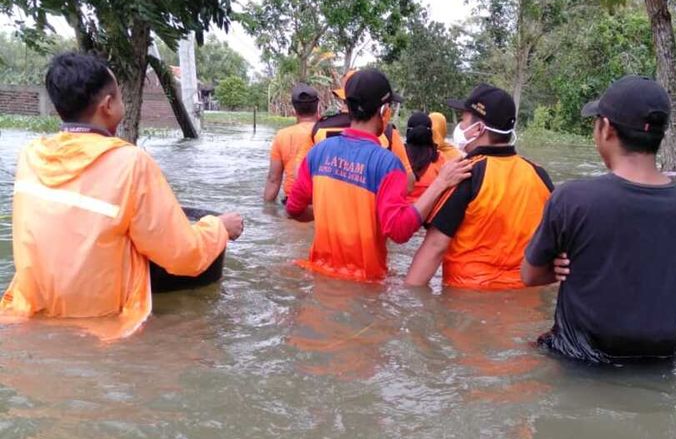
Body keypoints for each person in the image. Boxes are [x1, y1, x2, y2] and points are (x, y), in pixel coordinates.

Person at [0, 52, 244, 340]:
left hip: (25, 316)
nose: (123, 105)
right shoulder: (131, 163)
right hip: (103, 327)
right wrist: (219, 228)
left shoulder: (30, 155)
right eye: (120, 97)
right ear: (107, 105)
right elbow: (182, 255)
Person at [521, 75, 676, 364]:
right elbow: (674, 281)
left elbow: (529, 275)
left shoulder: (572, 198)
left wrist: (556, 271)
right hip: (659, 362)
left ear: (605, 129)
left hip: (580, 361)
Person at [286, 69, 472, 282]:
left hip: (319, 278)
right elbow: (399, 231)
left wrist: (332, 211)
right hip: (364, 286)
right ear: (383, 110)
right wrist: (441, 183)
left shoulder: (318, 152)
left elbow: (294, 208)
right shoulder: (386, 163)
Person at [406, 83, 553, 289]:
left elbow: (435, 246)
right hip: (525, 302)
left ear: (479, 128)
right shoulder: (539, 175)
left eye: (464, 119)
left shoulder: (464, 173)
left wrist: (408, 293)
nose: (460, 126)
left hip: (467, 299)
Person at [310, 69, 416, 192]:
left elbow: (301, 180)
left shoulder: (319, 129)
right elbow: (408, 184)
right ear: (382, 109)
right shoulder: (388, 133)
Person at [263, 83, 319, 202]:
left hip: (293, 202)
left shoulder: (282, 135)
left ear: (294, 110)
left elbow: (274, 179)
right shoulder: (326, 132)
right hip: (322, 202)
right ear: (318, 107)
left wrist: (266, 211)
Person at [405, 112, 447, 203]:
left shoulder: (398, 155)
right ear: (430, 133)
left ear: (408, 132)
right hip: (431, 213)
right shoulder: (439, 158)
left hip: (400, 213)